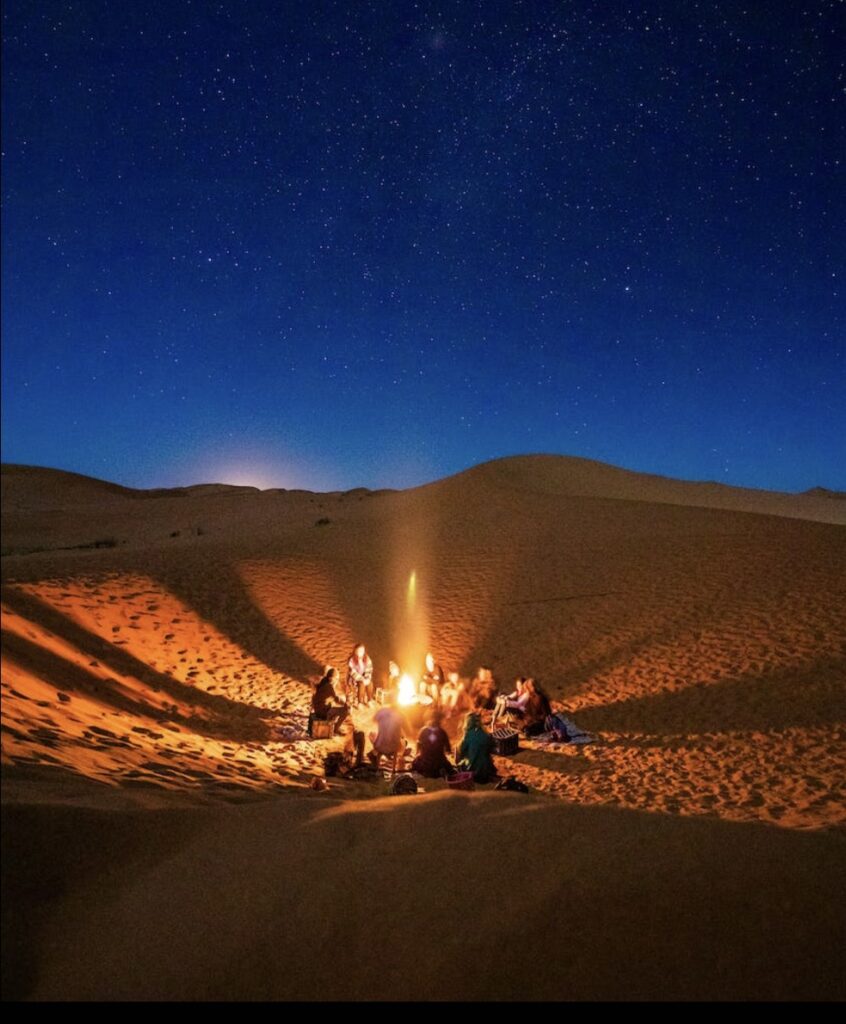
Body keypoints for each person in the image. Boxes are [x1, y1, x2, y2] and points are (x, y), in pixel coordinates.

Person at [411, 710, 455, 778]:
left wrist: (418, 754)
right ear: (440, 720)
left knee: (414, 763)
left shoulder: (423, 731)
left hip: (425, 764)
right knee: (448, 766)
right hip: (439, 764)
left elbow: (418, 745)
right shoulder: (442, 732)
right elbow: (448, 750)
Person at [456, 711, 498, 784]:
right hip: (486, 772)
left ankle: (462, 771)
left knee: (457, 750)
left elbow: (462, 752)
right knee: (485, 755)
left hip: (473, 773)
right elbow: (492, 748)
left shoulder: (468, 735)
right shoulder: (485, 734)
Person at [368, 693, 405, 764]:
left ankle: (375, 753)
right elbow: (407, 733)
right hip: (393, 747)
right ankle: (398, 758)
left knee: (371, 734)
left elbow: (373, 720)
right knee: (403, 741)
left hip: (379, 746)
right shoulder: (400, 715)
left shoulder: (382, 711)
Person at [311, 667, 349, 736]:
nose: (337, 681)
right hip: (323, 712)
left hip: (318, 709)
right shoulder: (330, 687)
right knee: (345, 711)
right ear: (331, 678)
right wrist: (346, 703)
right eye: (336, 679)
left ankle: (332, 723)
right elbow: (337, 700)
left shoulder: (324, 681)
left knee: (333, 706)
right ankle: (336, 729)